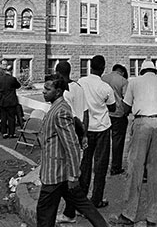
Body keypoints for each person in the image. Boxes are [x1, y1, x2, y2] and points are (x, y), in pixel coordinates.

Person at [35, 76, 108, 227]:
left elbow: (72, 145)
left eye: (48, 89)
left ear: (58, 91)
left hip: (55, 174)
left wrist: (74, 175)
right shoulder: (57, 106)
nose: (43, 92)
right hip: (59, 173)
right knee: (83, 205)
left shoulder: (60, 111)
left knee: (44, 212)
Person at [110, 59, 157, 227]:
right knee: (155, 170)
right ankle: (152, 217)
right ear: (154, 70)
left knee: (135, 168)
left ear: (142, 70)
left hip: (142, 122)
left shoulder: (134, 82)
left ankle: (129, 214)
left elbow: (126, 106)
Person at [68, 55, 116, 213]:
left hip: (85, 128)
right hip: (102, 127)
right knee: (100, 165)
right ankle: (96, 199)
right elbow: (113, 107)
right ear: (103, 68)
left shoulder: (81, 82)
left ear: (90, 67)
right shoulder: (105, 87)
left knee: (85, 164)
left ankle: (80, 202)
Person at [100, 63, 129, 176]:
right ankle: (115, 167)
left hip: (104, 114)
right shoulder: (123, 81)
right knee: (117, 142)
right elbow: (126, 99)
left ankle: (102, 166)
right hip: (118, 114)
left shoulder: (103, 78)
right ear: (122, 72)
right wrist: (126, 113)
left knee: (103, 142)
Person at [0, 58, 21, 138]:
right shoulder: (12, 79)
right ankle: (11, 133)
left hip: (2, 100)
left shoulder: (0, 79)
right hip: (11, 100)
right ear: (11, 71)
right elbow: (18, 86)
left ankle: (4, 132)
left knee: (3, 117)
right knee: (11, 117)